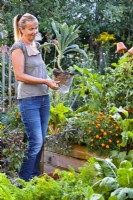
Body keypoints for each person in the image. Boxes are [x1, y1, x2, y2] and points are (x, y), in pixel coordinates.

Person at [10, 13, 59, 181]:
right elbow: (20, 76)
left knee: (41, 140)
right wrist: (45, 81)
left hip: (44, 99)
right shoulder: (18, 47)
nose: (34, 31)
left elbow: (37, 70)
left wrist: (53, 79)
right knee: (35, 141)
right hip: (29, 100)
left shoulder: (36, 46)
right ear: (21, 29)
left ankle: (35, 176)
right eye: (30, 29)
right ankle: (23, 181)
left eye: (36, 28)